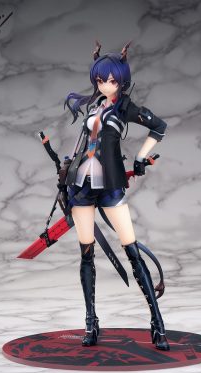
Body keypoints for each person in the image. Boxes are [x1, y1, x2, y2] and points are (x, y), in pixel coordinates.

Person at [64, 42, 170, 351]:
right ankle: (91, 321)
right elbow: (82, 143)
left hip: (110, 185)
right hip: (81, 186)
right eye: (100, 80)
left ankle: (157, 323)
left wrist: (140, 158)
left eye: (110, 80)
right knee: (86, 254)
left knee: (132, 251)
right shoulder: (94, 105)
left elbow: (159, 127)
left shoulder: (125, 108)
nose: (105, 85)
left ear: (121, 80)